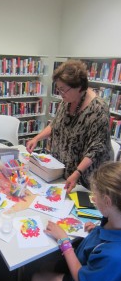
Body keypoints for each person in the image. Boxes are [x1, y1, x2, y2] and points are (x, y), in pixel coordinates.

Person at [31, 161, 121, 281]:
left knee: (36, 278)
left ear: (107, 201)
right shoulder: (112, 219)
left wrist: (64, 241)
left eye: (95, 195)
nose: (93, 199)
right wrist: (97, 231)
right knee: (45, 266)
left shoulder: (114, 256)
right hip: (87, 264)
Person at [26, 59, 111, 192]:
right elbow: (56, 124)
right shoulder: (67, 100)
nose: (60, 94)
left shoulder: (98, 109)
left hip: (84, 177)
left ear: (79, 86)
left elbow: (96, 149)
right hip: (63, 170)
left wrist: (77, 172)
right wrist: (36, 138)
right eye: (58, 89)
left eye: (63, 90)